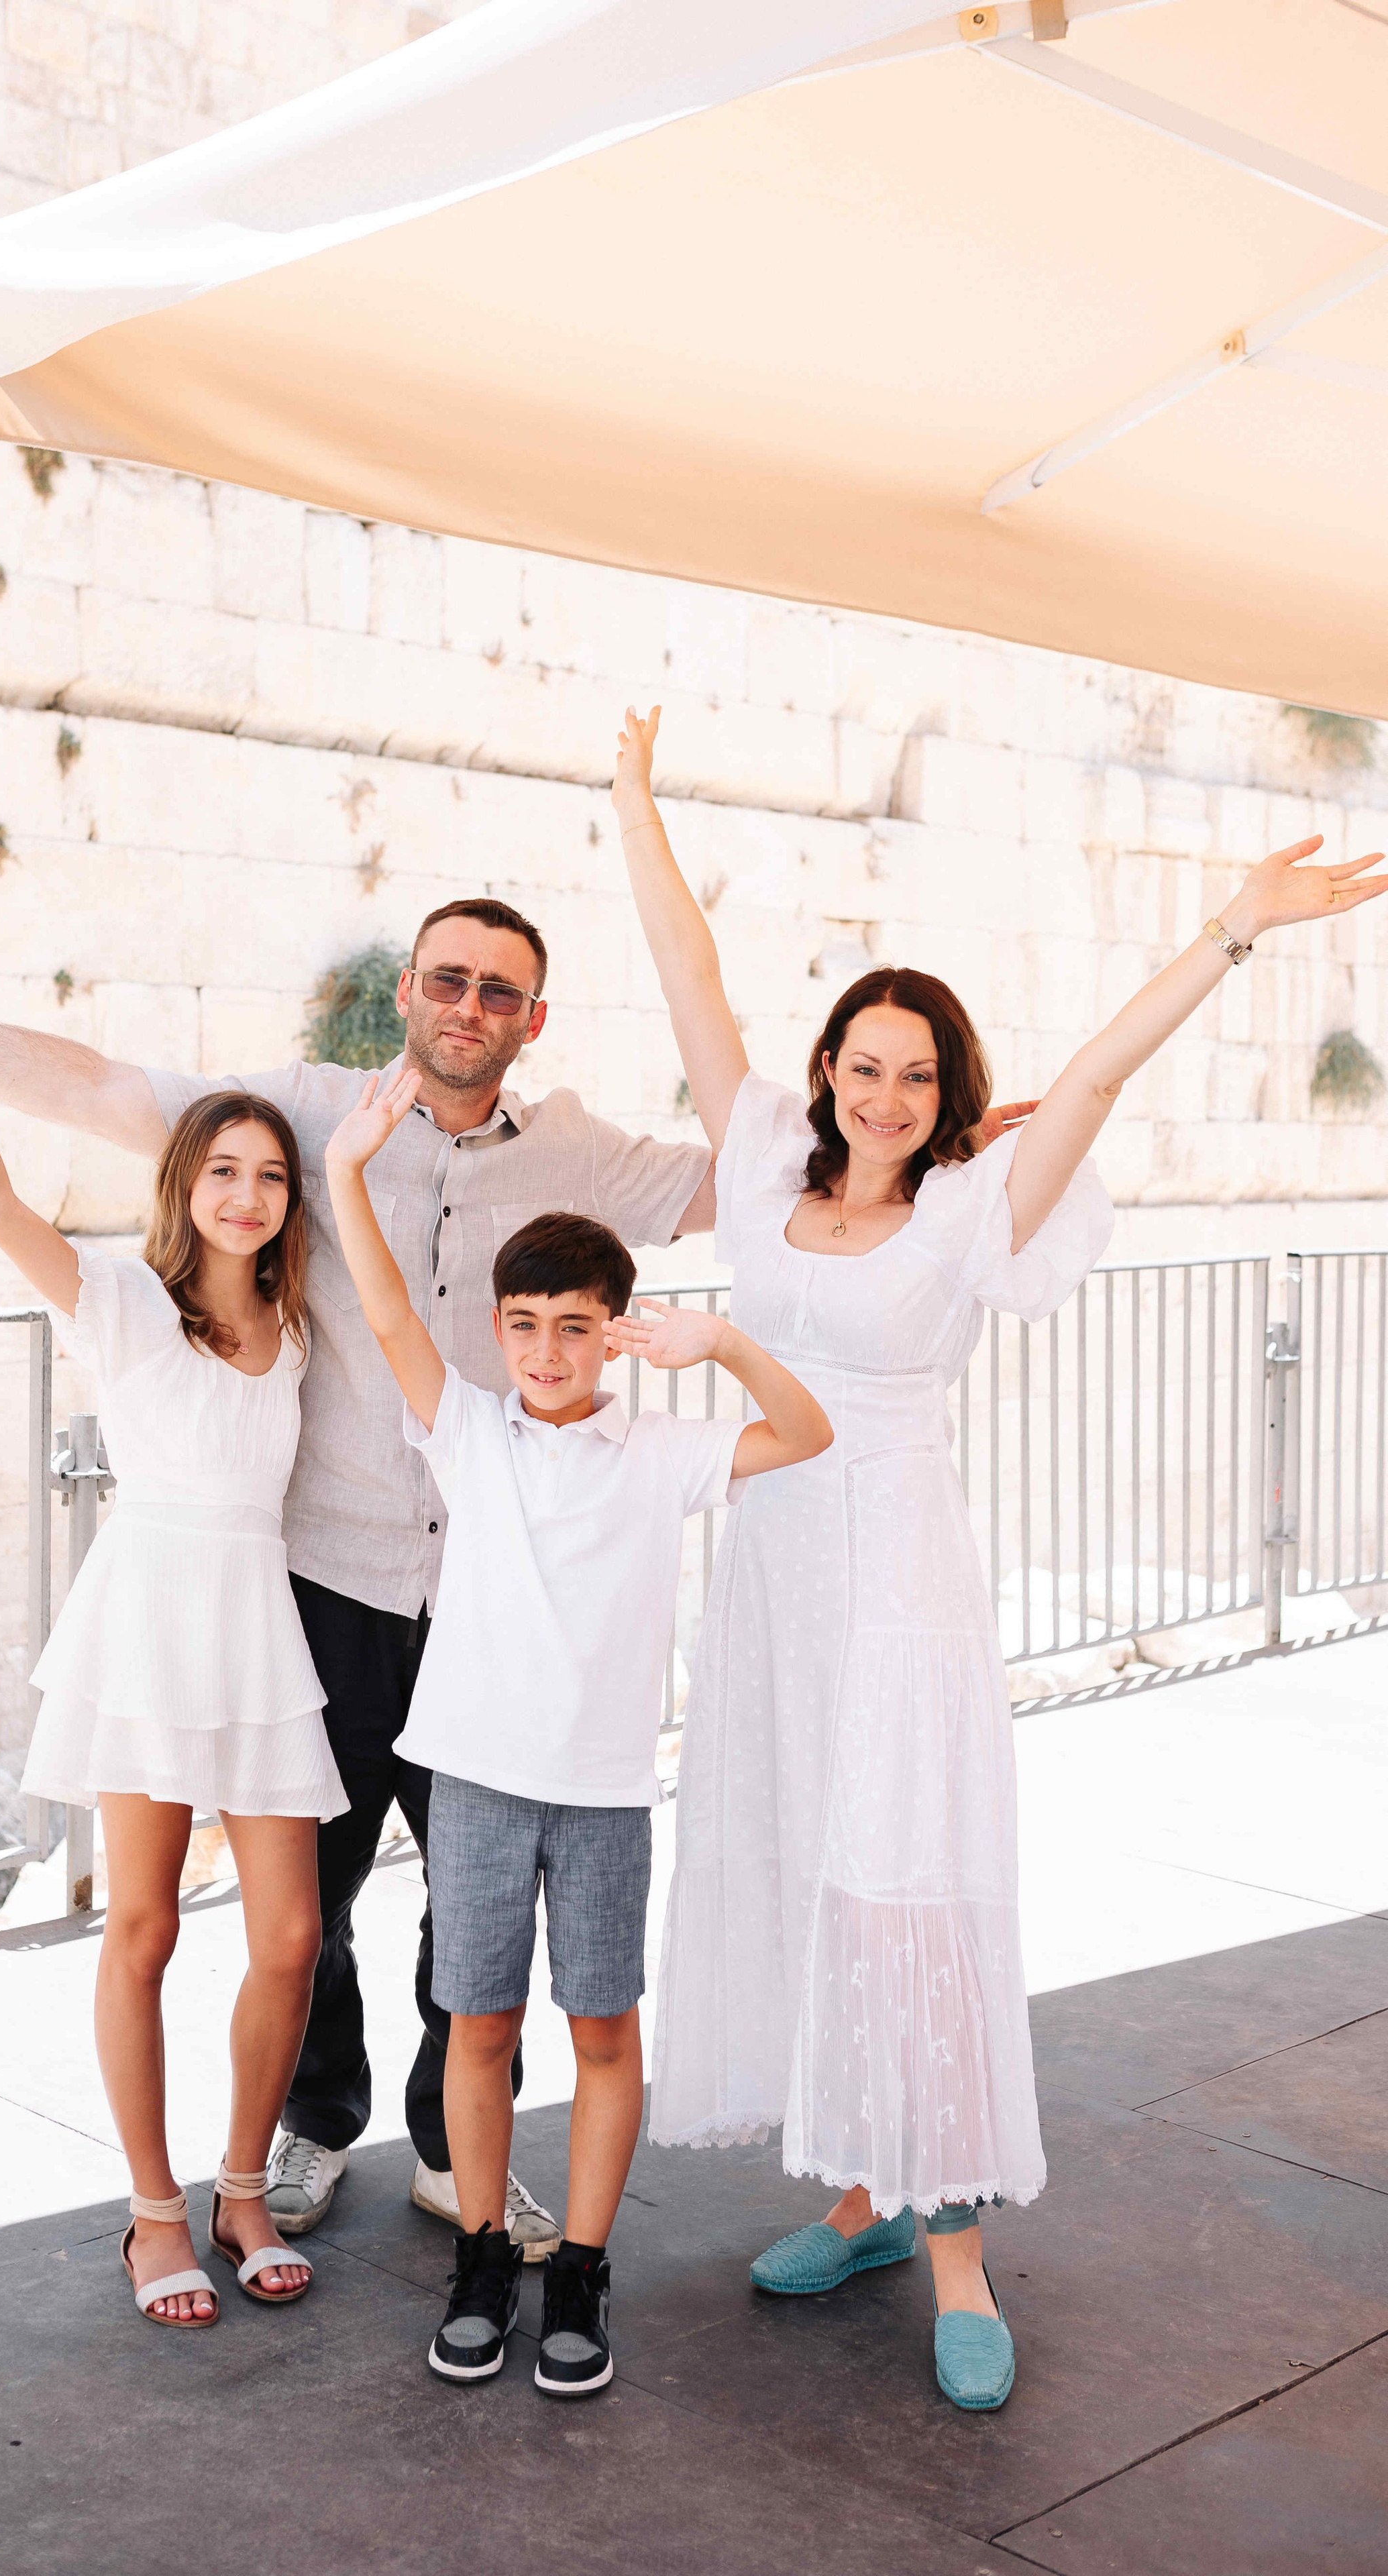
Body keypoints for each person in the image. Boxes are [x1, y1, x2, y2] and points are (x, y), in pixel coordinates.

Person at [610, 702, 1385, 2413]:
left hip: (894, 1577)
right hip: (771, 1575)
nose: (884, 1092)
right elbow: (688, 978)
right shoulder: (752, 1163)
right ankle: (864, 2200)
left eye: (916, 1074)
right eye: (861, 1063)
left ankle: (954, 2252)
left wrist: (1230, 928)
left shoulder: (970, 1211)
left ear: (944, 1097)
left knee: (903, 1888)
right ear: (825, 1072)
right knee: (815, 1862)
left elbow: (1099, 1074)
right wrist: (632, 805)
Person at [0, 890, 716, 2255]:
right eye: (446, 979)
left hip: (487, 1607)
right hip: (324, 1586)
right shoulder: (306, 1115)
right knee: (306, 1913)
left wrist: (935, 1150)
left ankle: (457, 2154)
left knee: (478, 1899)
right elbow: (105, 1091)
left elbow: (748, 1178)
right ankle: (311, 2125)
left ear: (532, 1018)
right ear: (405, 990)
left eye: (497, 991)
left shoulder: (576, 1147)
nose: (468, 1006)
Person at [0, 926, 348, 2326]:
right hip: (145, 1625)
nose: (246, 1194)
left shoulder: (301, 1327)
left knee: (289, 1937)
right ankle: (151, 2214)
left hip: (254, 1632)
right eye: (223, 1171)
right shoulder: (124, 1304)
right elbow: (1, 1211)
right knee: (139, 1928)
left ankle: (240, 2186)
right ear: (183, 1186)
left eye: (268, 1175)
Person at [323, 1065, 831, 2392]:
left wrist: (717, 1343)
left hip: (602, 1795)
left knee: (601, 2031)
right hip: (479, 1786)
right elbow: (381, 1310)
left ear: (613, 1332)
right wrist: (342, 1169)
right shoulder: (467, 1432)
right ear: (496, 1332)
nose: (546, 1351)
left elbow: (808, 1430)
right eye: (524, 1325)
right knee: (478, 2024)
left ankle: (582, 2272)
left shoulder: (661, 1452)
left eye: (573, 1327)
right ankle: (485, 2253)